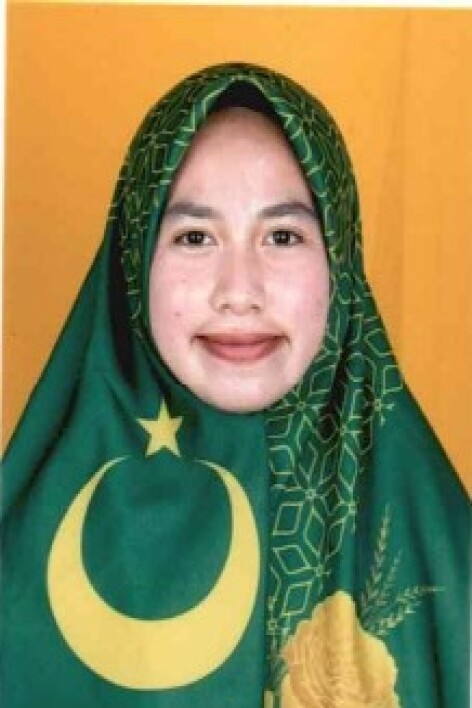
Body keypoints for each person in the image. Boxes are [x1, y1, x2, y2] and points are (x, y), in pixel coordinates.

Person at [1, 62, 468, 707]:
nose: (240, 291)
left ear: (340, 260)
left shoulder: (447, 560)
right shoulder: (18, 567)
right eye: (194, 236)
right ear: (134, 258)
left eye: (283, 235)